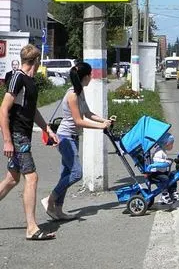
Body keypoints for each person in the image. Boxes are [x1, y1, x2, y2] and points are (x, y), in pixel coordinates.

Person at [0, 44, 59, 241]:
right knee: (31, 178)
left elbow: (32, 111)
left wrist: (47, 129)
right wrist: (7, 141)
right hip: (18, 136)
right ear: (35, 62)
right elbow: (3, 110)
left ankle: (32, 227)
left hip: (23, 134)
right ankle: (32, 228)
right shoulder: (17, 78)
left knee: (12, 179)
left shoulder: (30, 82)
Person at [41, 62, 112, 220]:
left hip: (73, 137)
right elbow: (79, 121)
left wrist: (104, 121)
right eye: (90, 75)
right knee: (76, 173)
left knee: (66, 173)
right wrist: (100, 126)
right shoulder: (72, 94)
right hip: (65, 137)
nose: (91, 77)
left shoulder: (80, 92)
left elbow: (87, 113)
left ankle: (58, 210)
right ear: (85, 76)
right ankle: (50, 199)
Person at [150, 133, 178, 205]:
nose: (172, 145)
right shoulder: (159, 151)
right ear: (166, 144)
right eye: (171, 144)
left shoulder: (163, 150)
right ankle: (164, 195)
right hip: (155, 173)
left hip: (161, 171)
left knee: (172, 175)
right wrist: (165, 161)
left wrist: (168, 160)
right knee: (165, 178)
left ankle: (173, 191)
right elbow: (156, 160)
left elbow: (163, 159)